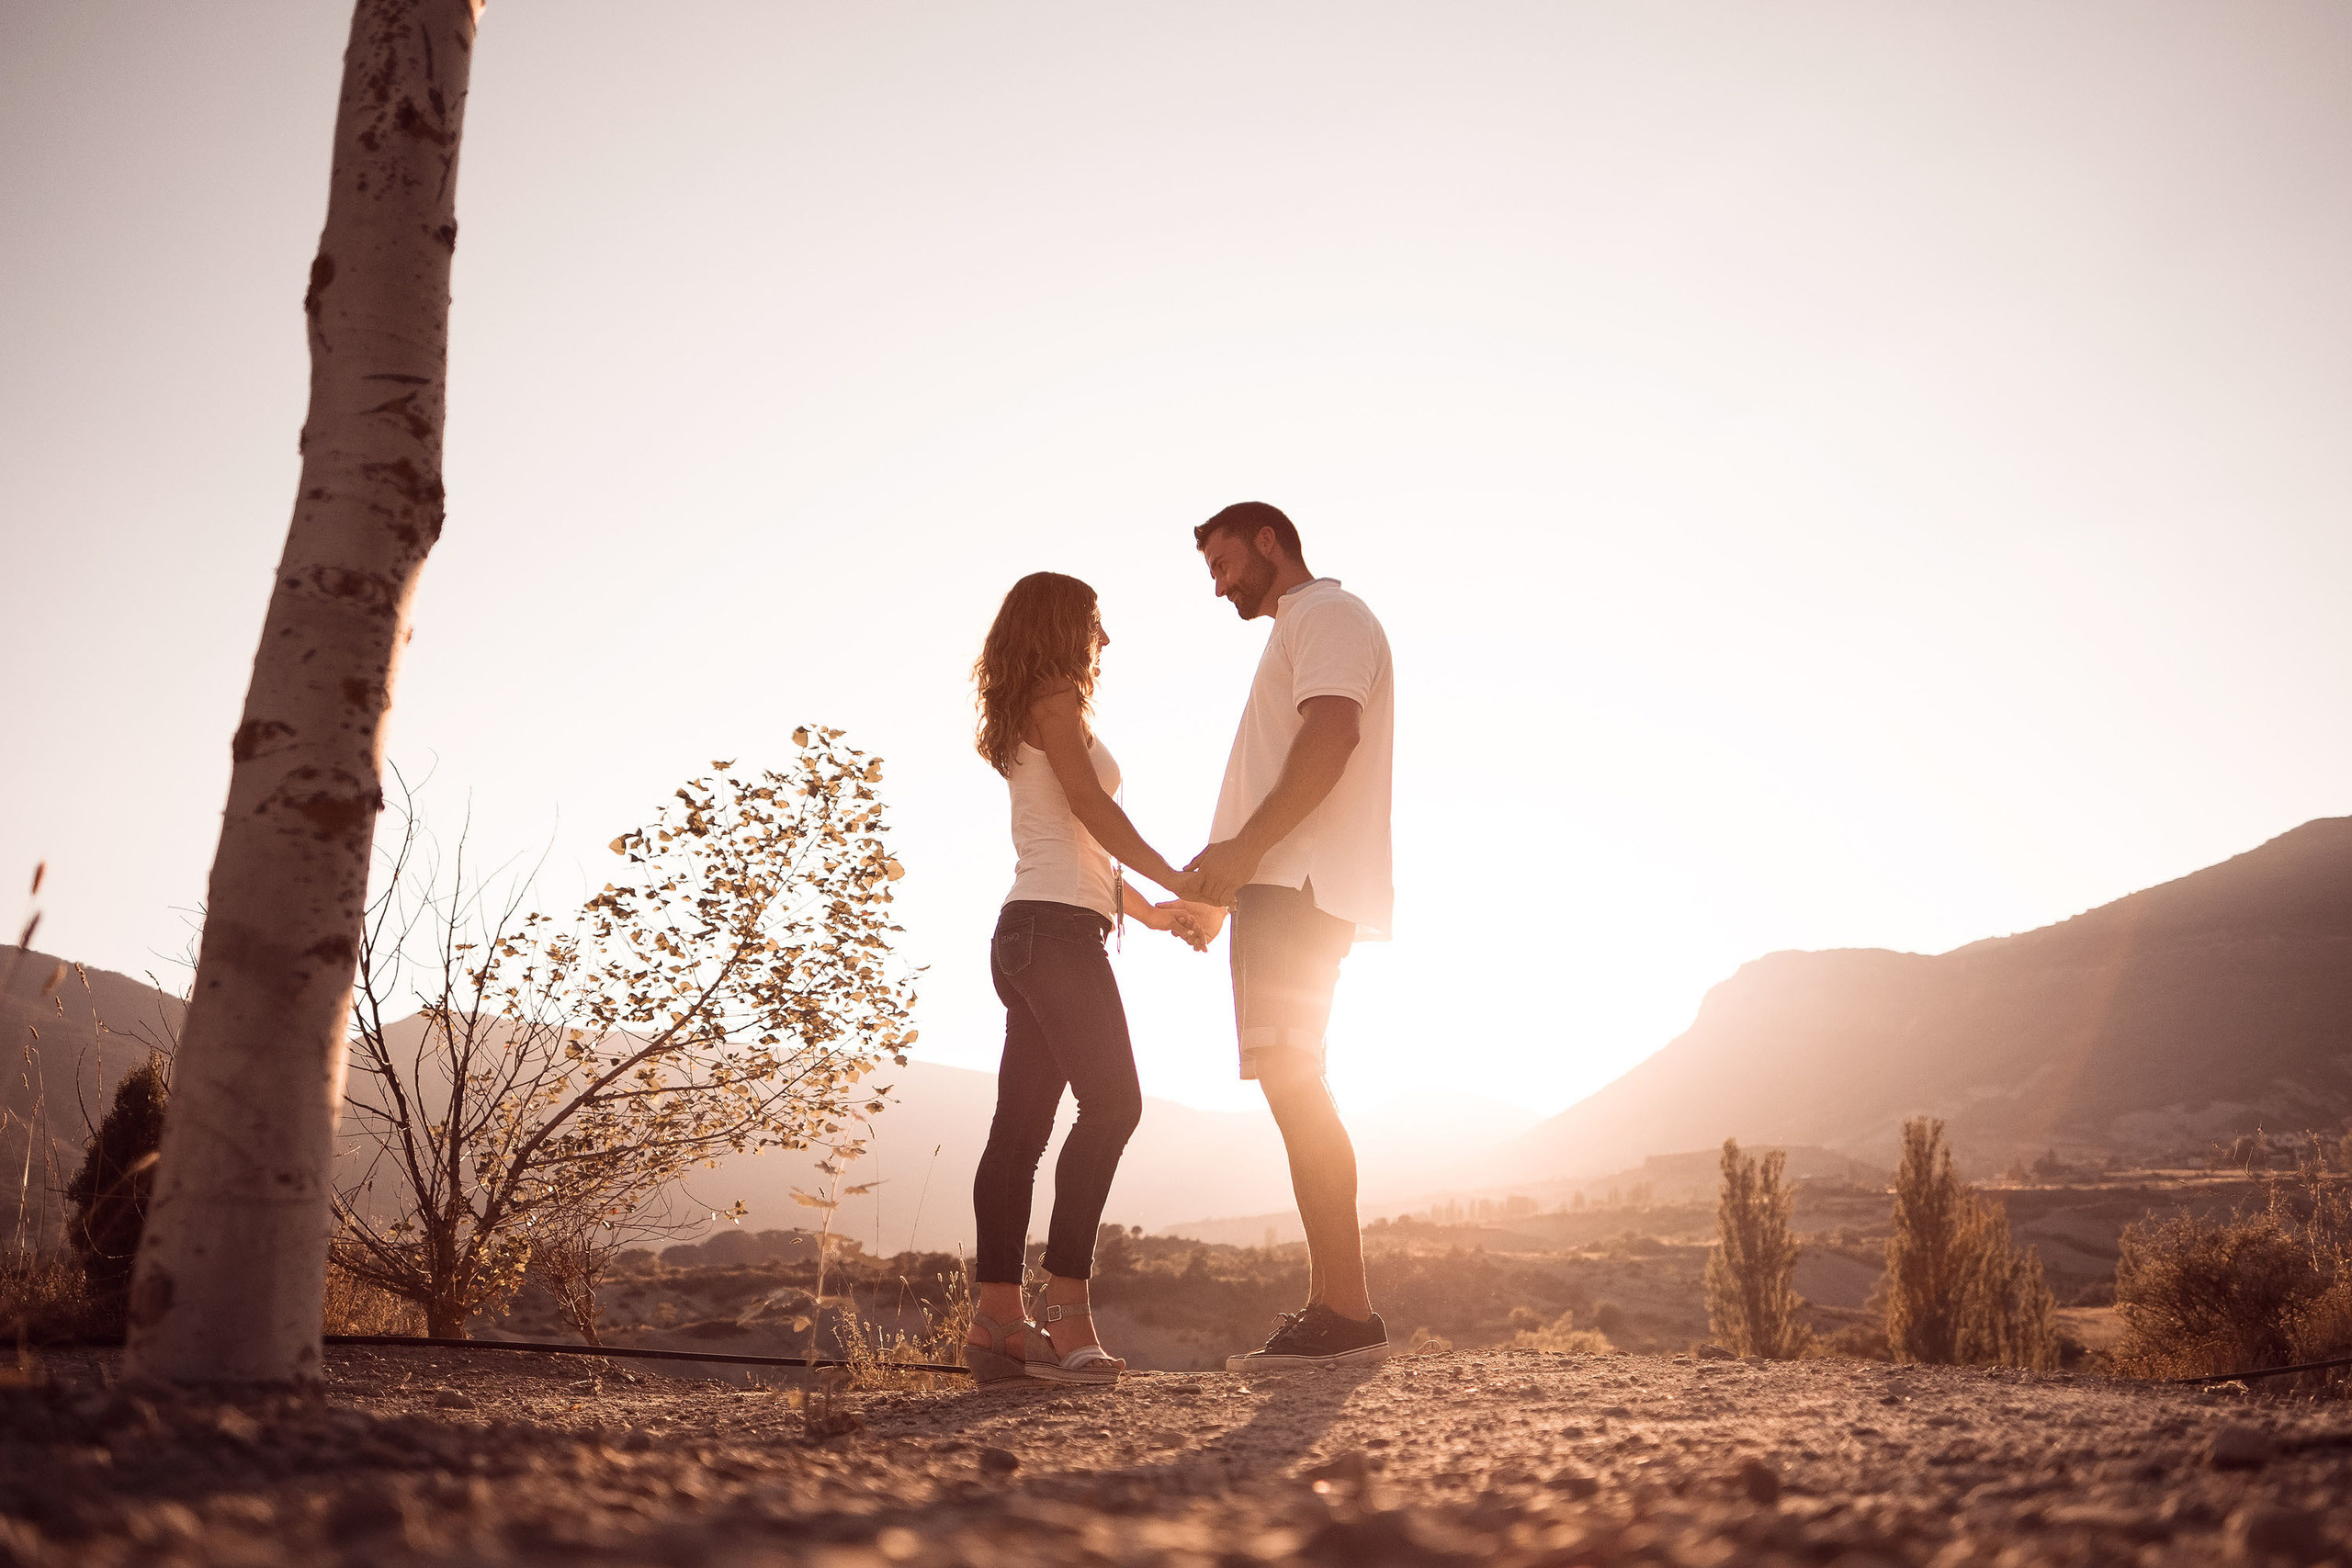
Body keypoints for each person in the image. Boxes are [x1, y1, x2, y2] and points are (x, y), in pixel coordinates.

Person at [962, 570, 1215, 1385]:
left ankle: (998, 1320)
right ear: (1065, 627)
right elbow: (1092, 809)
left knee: (1022, 1133)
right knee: (1114, 1104)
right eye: (1096, 624)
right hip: (1056, 935)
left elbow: (1078, 844)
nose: (1105, 641)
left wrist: (1150, 912)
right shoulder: (1056, 700)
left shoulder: (1030, 705)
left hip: (1035, 931)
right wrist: (1177, 874)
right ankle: (1067, 1306)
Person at [1175, 502, 1396, 1369]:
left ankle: (1346, 1312)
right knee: (1293, 1083)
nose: (1221, 585)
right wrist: (1225, 888)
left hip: (1296, 890)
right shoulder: (1304, 626)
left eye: (1226, 563)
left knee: (1297, 1085)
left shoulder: (1329, 614)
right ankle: (1333, 1307)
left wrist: (1240, 854)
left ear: (1270, 541)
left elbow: (1332, 734)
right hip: (1276, 888)